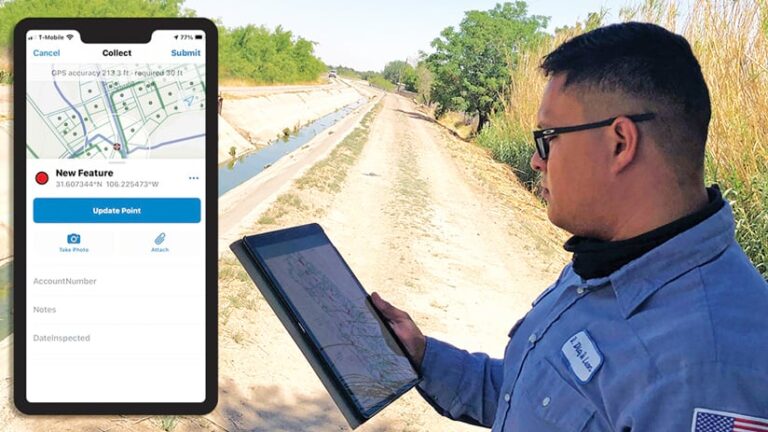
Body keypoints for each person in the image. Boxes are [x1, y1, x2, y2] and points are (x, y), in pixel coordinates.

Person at [372, 22, 768, 431]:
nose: (536, 161)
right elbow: (525, 399)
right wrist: (422, 356)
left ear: (620, 143)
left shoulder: (712, 366)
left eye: (548, 137)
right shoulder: (606, 261)